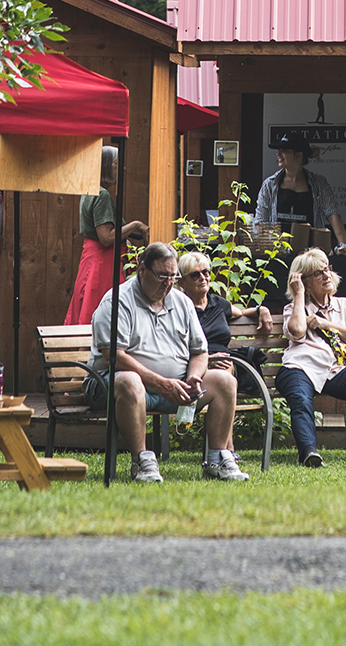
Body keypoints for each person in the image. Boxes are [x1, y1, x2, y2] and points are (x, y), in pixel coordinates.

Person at [88, 242, 244, 482]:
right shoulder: (117, 301)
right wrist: (162, 384)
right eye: (162, 275)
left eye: (173, 276)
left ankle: (217, 458)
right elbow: (114, 356)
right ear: (142, 270)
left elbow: (200, 352)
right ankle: (142, 460)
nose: (168, 283)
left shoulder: (181, 302)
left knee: (224, 380)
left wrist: (193, 376)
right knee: (131, 381)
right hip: (111, 384)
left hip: (175, 387)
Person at [280, 248, 346, 466]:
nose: (326, 275)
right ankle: (309, 452)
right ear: (305, 282)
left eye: (327, 269)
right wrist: (299, 294)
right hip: (298, 369)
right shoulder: (294, 308)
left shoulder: (345, 306)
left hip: (333, 371)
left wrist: (328, 324)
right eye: (317, 273)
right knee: (300, 398)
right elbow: (298, 331)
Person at [176, 249, 271, 480]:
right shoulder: (179, 308)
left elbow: (241, 311)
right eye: (195, 275)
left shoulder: (218, 304)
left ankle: (225, 452)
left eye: (206, 272)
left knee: (226, 368)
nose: (203, 278)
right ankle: (227, 452)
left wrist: (262, 310)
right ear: (182, 282)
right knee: (225, 370)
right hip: (193, 366)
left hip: (224, 364)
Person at [63, 146, 149, 329]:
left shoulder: (90, 190)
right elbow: (105, 237)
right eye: (118, 164)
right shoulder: (102, 195)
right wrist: (135, 225)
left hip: (91, 259)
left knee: (88, 307)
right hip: (102, 263)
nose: (122, 168)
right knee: (102, 311)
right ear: (106, 167)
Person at [253, 132, 346, 247]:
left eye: (285, 151)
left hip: (311, 254)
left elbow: (333, 214)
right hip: (279, 254)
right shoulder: (269, 185)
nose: (279, 154)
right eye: (278, 150)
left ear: (299, 155)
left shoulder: (319, 184)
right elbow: (260, 221)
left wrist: (344, 246)